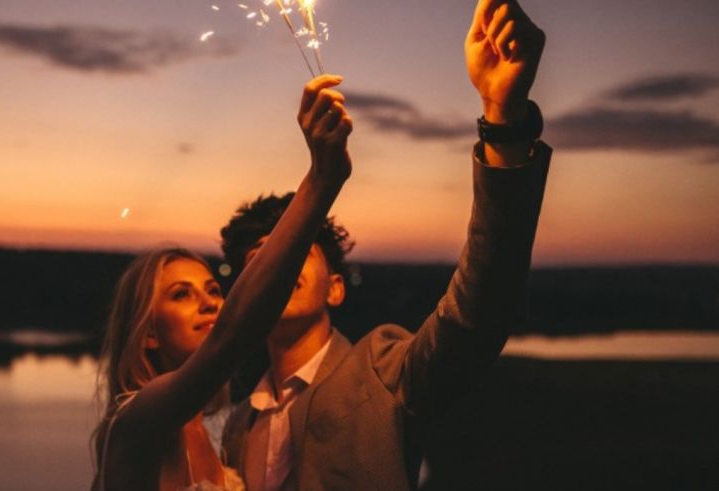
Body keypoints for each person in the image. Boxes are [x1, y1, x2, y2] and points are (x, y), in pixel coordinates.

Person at [219, 0, 551, 489]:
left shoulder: (382, 372)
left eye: (295, 253)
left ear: (335, 288)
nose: (280, 269)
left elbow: (480, 314)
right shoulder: (234, 426)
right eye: (262, 262)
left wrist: (504, 121)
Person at [90, 74, 354, 491]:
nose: (210, 303)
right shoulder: (136, 419)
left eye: (214, 290)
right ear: (148, 336)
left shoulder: (225, 436)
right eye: (181, 294)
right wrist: (322, 182)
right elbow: (231, 337)